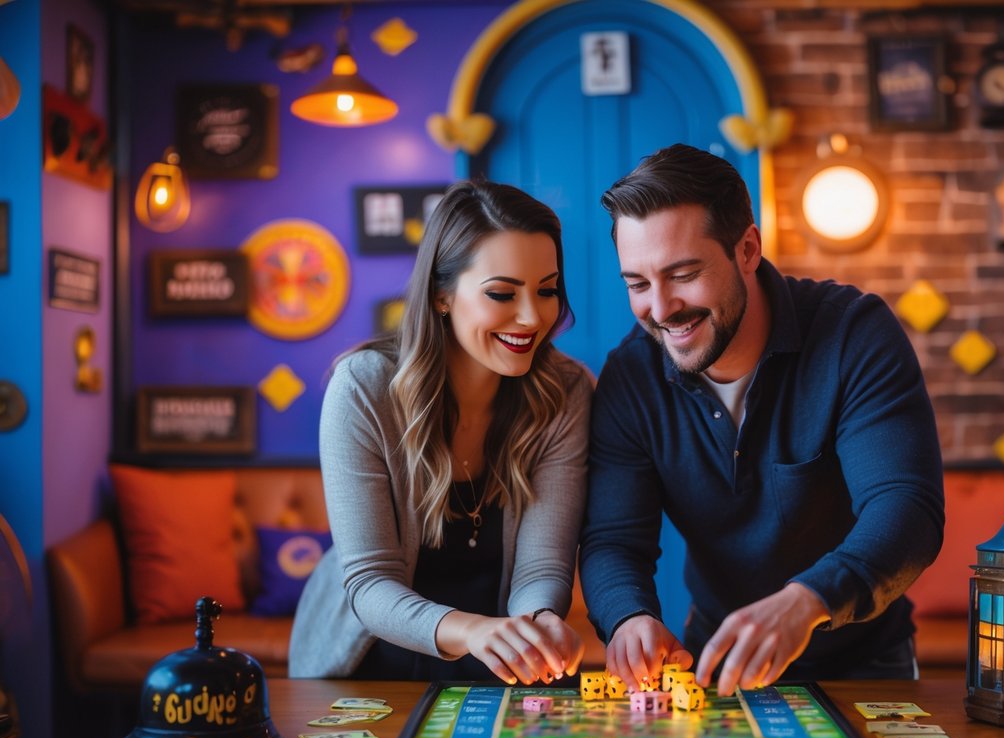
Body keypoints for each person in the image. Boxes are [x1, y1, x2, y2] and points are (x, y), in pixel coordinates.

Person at [579, 144, 944, 697]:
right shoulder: (631, 377)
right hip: (717, 662)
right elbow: (614, 541)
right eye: (638, 284)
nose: (661, 307)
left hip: (863, 663)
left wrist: (807, 601)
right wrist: (628, 616)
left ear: (747, 249)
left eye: (683, 274)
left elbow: (907, 508)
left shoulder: (854, 334)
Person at [290, 180, 591, 685]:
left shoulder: (566, 390)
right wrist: (474, 631)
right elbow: (370, 582)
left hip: (500, 655)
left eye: (546, 290)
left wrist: (537, 623)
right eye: (502, 293)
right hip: (369, 660)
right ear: (441, 294)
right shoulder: (362, 388)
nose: (532, 317)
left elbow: (542, 566)